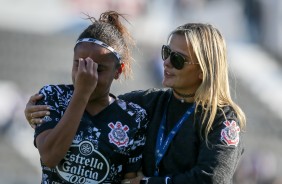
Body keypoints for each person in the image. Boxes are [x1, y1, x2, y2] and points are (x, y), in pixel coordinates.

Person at [25, 23, 246, 184]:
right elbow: (99, 105)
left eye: (177, 59)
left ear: (203, 70)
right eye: (166, 53)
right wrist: (38, 113)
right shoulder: (148, 102)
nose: (166, 63)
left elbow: (213, 179)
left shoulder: (222, 119)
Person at [25, 11, 149, 184]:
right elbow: (50, 157)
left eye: (98, 69)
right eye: (80, 64)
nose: (86, 75)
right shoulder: (53, 96)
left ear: (118, 71)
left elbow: (130, 178)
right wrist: (81, 94)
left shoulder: (134, 117)